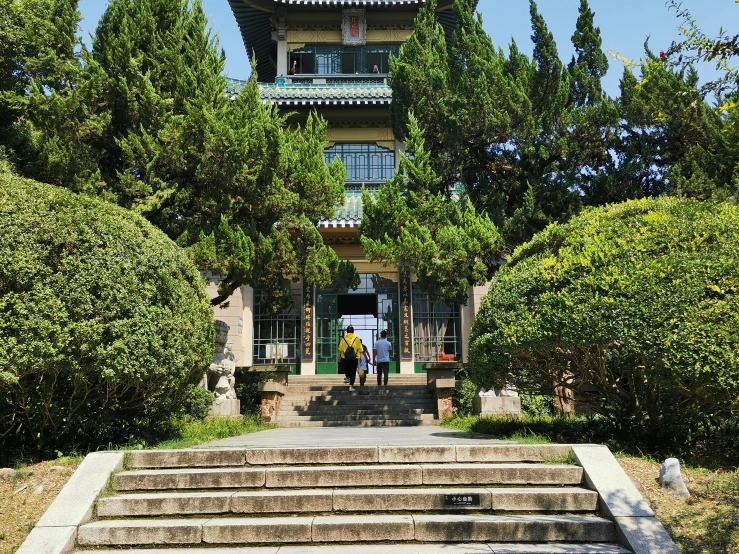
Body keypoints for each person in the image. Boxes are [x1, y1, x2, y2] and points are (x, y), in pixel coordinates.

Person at [338, 325, 362, 392]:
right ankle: (351, 386)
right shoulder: (357, 339)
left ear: (347, 331)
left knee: (346, 369)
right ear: (353, 331)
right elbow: (360, 349)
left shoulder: (343, 339)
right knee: (353, 371)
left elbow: (340, 349)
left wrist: (339, 357)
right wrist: (361, 357)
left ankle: (347, 377)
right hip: (354, 358)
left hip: (345, 358)